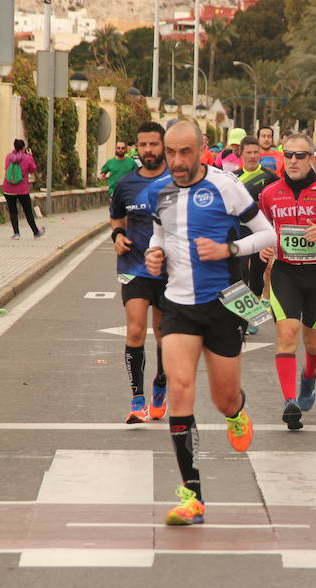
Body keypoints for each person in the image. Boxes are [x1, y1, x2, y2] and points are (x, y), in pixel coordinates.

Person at [144, 120, 277, 526]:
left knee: (222, 398)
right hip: (179, 306)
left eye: (186, 152)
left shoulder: (225, 186)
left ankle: (237, 410)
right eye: (171, 153)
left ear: (204, 148)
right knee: (181, 389)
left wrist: (228, 248)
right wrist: (154, 254)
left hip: (222, 304)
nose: (178, 161)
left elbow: (267, 234)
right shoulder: (158, 193)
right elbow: (159, 236)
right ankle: (192, 496)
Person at [259, 133, 316, 430]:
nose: (293, 161)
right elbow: (260, 231)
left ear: (311, 159)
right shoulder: (268, 194)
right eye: (289, 155)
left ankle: (308, 377)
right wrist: (263, 247)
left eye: (300, 155)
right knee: (287, 334)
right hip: (285, 272)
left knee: (314, 342)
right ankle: (290, 401)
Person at [110, 122, 171, 424]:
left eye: (153, 144)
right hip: (134, 266)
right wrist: (117, 238)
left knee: (164, 335)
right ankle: (137, 399)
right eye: (143, 145)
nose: (148, 150)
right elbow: (116, 219)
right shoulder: (126, 184)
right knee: (135, 331)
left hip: (170, 271)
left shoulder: (177, 181)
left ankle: (161, 381)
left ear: (163, 147)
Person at [234, 135, 280, 333]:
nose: (253, 156)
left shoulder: (271, 178)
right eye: (249, 153)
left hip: (262, 231)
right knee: (241, 273)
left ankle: (252, 315)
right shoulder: (233, 178)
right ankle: (244, 319)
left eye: (256, 153)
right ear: (241, 154)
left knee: (257, 275)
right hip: (241, 230)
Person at [2, 139, 45, 240]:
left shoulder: (8, 157)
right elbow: (33, 169)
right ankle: (36, 232)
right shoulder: (27, 158)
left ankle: (16, 233)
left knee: (13, 211)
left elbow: (6, 168)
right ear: (23, 148)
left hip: (8, 188)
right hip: (22, 189)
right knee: (28, 211)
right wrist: (30, 156)